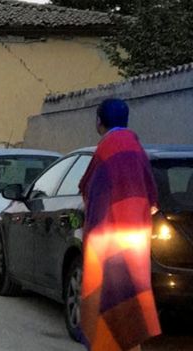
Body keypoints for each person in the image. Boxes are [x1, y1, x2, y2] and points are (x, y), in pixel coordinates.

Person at [79, 99, 161, 351]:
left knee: (104, 293)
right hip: (136, 238)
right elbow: (151, 197)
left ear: (99, 122)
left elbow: (91, 189)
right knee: (130, 295)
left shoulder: (106, 148)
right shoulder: (137, 149)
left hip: (108, 236)